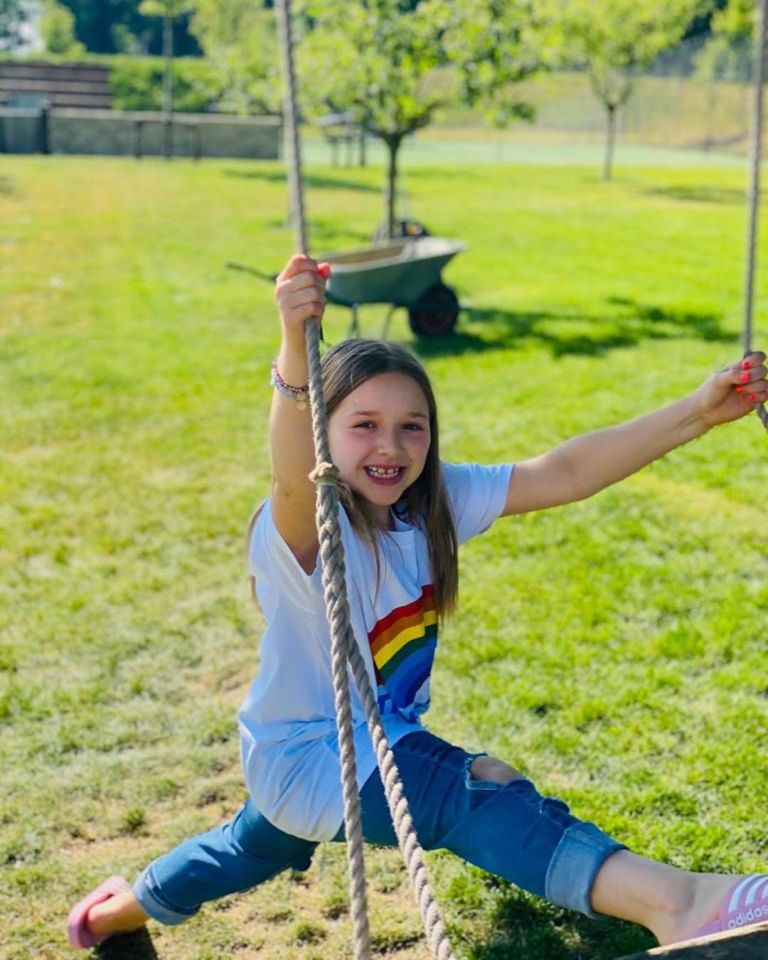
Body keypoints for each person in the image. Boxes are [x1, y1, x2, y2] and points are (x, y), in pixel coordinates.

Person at [68, 254, 768, 950]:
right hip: (314, 750)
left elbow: (568, 471)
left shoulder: (427, 503)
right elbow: (290, 474)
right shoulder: (312, 527)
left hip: (323, 753)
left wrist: (699, 413)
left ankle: (114, 913)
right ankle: (681, 903)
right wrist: (292, 344)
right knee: (473, 794)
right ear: (322, 433)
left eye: (412, 426)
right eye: (363, 424)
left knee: (255, 846)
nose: (391, 446)